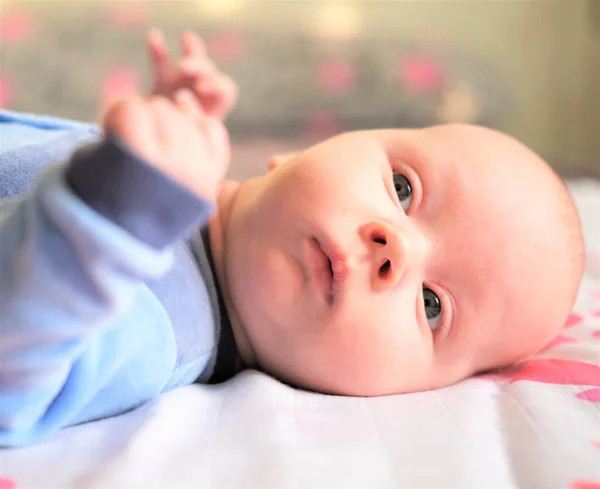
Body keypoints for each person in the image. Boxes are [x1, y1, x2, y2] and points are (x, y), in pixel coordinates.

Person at [0, 30, 585, 447]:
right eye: (403, 190)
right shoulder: (181, 188)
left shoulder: (158, 322)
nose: (395, 249)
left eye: (432, 307)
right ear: (310, 149)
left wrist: (113, 213)